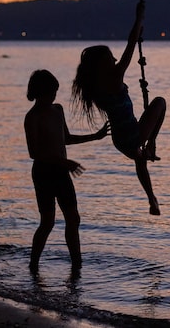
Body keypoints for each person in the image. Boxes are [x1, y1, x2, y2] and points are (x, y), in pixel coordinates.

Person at [72, 2, 167, 216]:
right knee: (160, 102)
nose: (115, 59)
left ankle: (152, 200)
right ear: (104, 64)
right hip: (132, 134)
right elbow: (130, 46)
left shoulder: (95, 86)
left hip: (119, 139)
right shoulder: (114, 78)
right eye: (110, 57)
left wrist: (139, 25)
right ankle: (152, 143)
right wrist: (139, 18)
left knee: (140, 160)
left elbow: (129, 46)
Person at [24, 69, 108, 271]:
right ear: (40, 92)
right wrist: (65, 163)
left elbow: (66, 139)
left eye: (55, 92)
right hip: (44, 173)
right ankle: (33, 264)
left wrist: (94, 137)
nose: (54, 96)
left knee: (73, 218)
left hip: (61, 172)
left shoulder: (58, 110)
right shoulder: (32, 117)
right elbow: (34, 153)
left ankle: (76, 264)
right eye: (51, 92)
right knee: (48, 222)